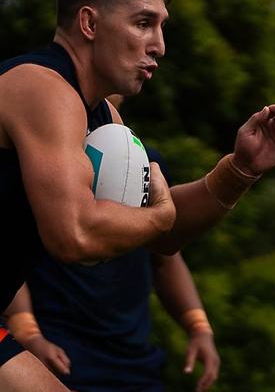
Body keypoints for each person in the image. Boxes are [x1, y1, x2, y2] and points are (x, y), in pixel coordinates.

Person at [0, 0, 275, 389]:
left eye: (162, 26)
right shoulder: (41, 87)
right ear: (89, 24)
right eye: (144, 23)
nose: (160, 44)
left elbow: (159, 235)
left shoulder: (104, 117)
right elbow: (77, 235)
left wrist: (239, 170)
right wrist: (160, 214)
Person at [3, 96, 219, 392]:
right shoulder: (44, 158)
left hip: (134, 364)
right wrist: (28, 332)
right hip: (60, 354)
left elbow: (165, 257)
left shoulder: (145, 162)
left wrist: (198, 326)